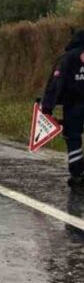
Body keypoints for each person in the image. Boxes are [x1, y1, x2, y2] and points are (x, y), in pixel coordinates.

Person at [40, 30, 84, 187]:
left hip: (73, 105)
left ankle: (77, 175)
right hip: (74, 104)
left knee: (73, 137)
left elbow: (56, 83)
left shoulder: (67, 58)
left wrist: (47, 107)